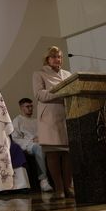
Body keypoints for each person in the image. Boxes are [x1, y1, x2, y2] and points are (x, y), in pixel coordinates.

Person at [33, 46, 73, 199]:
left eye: (60, 57)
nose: (58, 59)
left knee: (67, 154)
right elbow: (40, 95)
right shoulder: (39, 74)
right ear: (47, 59)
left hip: (66, 115)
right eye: (54, 56)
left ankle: (68, 187)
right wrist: (60, 92)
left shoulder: (68, 75)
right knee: (53, 153)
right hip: (49, 118)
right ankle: (59, 188)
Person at [11, 97, 53, 192]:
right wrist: (31, 141)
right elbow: (15, 138)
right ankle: (43, 180)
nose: (30, 108)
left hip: (41, 142)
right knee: (39, 148)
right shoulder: (17, 120)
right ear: (21, 107)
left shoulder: (36, 121)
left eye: (31, 106)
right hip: (29, 145)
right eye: (27, 106)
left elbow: (44, 133)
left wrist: (41, 138)